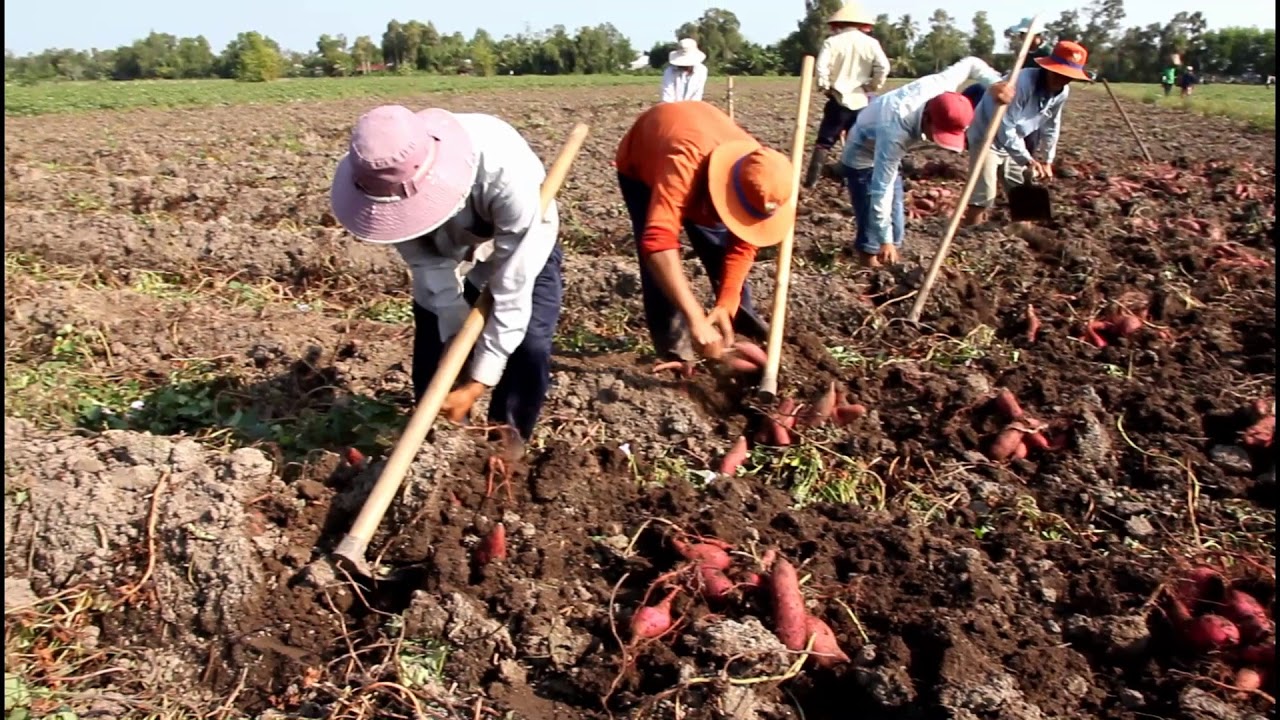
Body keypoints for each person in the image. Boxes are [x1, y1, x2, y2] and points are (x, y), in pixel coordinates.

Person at [328, 105, 563, 445]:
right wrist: (454, 331)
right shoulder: (376, 178)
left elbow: (512, 285)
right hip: (446, 246)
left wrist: (477, 382)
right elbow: (426, 264)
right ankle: (437, 440)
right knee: (433, 336)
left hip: (517, 241)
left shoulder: (505, 172)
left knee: (529, 344)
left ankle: (506, 444)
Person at [615, 102, 794, 366]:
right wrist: (695, 317)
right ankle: (675, 348)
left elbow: (744, 244)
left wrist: (727, 300)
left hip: (700, 139)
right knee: (659, 269)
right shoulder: (683, 160)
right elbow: (658, 242)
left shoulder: (762, 177)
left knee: (720, 250)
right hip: (643, 164)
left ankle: (736, 324)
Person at [841, 58, 1015, 267]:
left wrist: (995, 83)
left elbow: (971, 63)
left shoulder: (941, 87)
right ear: (927, 117)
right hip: (861, 154)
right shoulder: (895, 131)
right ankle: (868, 263)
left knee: (896, 218)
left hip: (884, 145)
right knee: (872, 212)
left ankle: (889, 258)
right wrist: (884, 241)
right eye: (939, 133)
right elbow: (881, 189)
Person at [962, 40, 1091, 227]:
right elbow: (1004, 125)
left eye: (1067, 77)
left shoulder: (1062, 92)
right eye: (1058, 73)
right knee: (985, 194)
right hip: (987, 136)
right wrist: (1027, 159)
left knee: (1025, 191)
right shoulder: (1021, 83)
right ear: (1048, 68)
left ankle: (1026, 238)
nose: (1061, 80)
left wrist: (1047, 160)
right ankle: (969, 234)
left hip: (1015, 140)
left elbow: (1051, 125)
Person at [803, 2, 890, 189]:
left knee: (824, 141)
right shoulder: (871, 43)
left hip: (838, 98)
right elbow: (883, 67)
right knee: (857, 141)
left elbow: (821, 68)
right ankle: (854, 179)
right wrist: (872, 86)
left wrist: (824, 86)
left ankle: (811, 182)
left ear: (839, 24)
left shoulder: (832, 42)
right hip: (861, 100)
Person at [962, 17, 1050, 151]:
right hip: (1016, 86)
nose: (1021, 38)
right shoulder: (1024, 52)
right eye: (1021, 35)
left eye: (1023, 35)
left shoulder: (1046, 54)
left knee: (1026, 128)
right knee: (977, 90)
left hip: (1031, 97)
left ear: (1036, 35)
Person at [661, 38, 709, 103]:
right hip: (673, 108)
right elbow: (668, 97)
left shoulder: (701, 70)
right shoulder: (669, 72)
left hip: (693, 107)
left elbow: (697, 94)